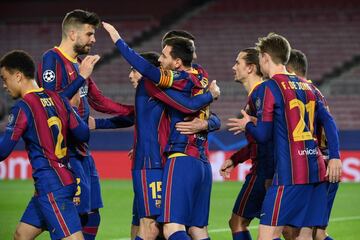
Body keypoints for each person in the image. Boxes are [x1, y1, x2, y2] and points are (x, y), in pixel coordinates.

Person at [103, 22, 219, 240]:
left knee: (168, 228)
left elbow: (186, 105)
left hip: (179, 157)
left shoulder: (177, 79)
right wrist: (209, 117)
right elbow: (209, 115)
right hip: (201, 159)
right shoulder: (201, 76)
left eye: (164, 55)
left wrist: (118, 40)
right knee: (195, 229)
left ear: (177, 62)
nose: (159, 60)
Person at [227, 33, 341, 240]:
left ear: (264, 57)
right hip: (315, 170)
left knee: (268, 235)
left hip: (290, 173)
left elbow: (262, 135)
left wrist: (247, 125)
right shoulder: (309, 86)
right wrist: (335, 156)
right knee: (303, 236)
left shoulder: (270, 87)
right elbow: (329, 121)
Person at [37, 9, 135, 240]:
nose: (93, 39)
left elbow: (99, 101)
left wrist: (137, 111)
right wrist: (81, 76)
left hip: (83, 152)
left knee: (92, 215)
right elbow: (51, 103)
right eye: (89, 34)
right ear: (73, 33)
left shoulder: (80, 63)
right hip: (65, 152)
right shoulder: (51, 59)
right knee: (72, 216)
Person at [0, 50, 89, 240]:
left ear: (18, 76)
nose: (4, 85)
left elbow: (3, 150)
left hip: (52, 187)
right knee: (21, 235)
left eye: (4, 78)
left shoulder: (23, 107)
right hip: (57, 182)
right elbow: (83, 133)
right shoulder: (59, 99)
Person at [286, 49, 339, 240]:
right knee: (314, 234)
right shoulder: (315, 91)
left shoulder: (303, 92)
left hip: (318, 166)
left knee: (305, 233)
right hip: (321, 165)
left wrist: (335, 156)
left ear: (288, 69)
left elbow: (329, 123)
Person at [222, 48, 273, 240]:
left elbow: (266, 136)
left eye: (237, 62)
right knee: (287, 230)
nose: (233, 67)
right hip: (270, 169)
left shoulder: (260, 93)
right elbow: (258, 138)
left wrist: (268, 175)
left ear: (250, 68)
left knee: (237, 222)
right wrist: (235, 159)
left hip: (263, 171)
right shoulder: (257, 94)